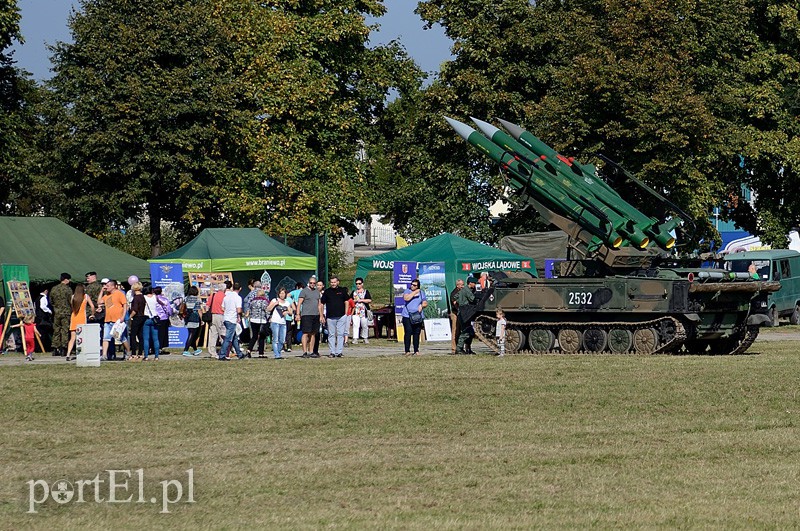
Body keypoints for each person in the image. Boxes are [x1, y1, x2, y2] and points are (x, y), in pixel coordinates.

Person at [101, 279, 132, 361]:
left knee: (122, 338)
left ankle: (128, 352)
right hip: (108, 320)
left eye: (107, 286)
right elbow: (99, 301)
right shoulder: (106, 295)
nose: (106, 287)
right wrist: (102, 291)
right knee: (106, 338)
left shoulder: (119, 294)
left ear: (113, 286)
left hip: (117, 321)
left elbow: (125, 305)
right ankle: (104, 355)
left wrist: (123, 316)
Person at [320, 276, 350, 358]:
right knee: (331, 335)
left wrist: (346, 313)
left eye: (334, 282)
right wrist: (322, 314)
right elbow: (322, 303)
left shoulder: (342, 290)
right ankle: (332, 352)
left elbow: (347, 301)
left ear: (338, 282)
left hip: (341, 316)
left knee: (340, 334)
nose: (333, 284)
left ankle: (339, 352)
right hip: (330, 317)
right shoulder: (327, 292)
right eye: (331, 282)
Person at [65, 283, 95, 361]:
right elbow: (92, 306)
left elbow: (72, 308)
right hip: (82, 318)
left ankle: (68, 354)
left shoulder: (73, 297)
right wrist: (92, 314)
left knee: (72, 338)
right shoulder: (86, 297)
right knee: (82, 337)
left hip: (74, 317)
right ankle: (81, 353)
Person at [296, 276, 321, 358]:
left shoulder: (317, 292)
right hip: (306, 315)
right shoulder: (304, 291)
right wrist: (297, 314)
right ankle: (304, 352)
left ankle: (311, 351)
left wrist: (321, 315)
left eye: (314, 283)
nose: (312, 284)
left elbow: (319, 304)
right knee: (305, 333)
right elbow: (299, 303)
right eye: (311, 283)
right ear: (308, 283)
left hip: (316, 315)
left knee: (313, 333)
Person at [401, 278, 428, 356]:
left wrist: (421, 305)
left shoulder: (421, 293)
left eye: (414, 285)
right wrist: (415, 292)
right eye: (411, 284)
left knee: (417, 333)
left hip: (417, 316)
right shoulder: (407, 291)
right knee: (408, 332)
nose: (412, 286)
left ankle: (416, 350)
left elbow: (425, 302)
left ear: (418, 286)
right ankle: (407, 350)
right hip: (407, 316)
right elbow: (406, 298)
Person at [49, 273, 73, 356]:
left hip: (56, 312)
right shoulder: (68, 289)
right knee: (65, 330)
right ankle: (64, 348)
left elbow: (51, 301)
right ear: (66, 279)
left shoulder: (54, 289)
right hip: (66, 313)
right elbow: (71, 301)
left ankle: (55, 348)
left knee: (56, 330)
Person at [219, 282, 244, 360]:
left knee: (234, 338)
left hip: (226, 318)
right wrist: (241, 314)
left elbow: (222, 308)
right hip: (232, 319)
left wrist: (228, 310)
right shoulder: (238, 298)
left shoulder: (226, 297)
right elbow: (239, 309)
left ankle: (239, 354)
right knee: (228, 338)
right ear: (240, 289)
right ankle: (222, 354)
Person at [267, 288, 293, 359]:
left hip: (283, 323)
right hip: (275, 322)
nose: (282, 295)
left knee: (282, 340)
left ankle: (278, 352)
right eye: (281, 293)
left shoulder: (287, 303)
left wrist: (287, 312)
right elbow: (268, 309)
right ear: (278, 294)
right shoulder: (274, 300)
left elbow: (291, 312)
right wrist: (274, 304)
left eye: (283, 293)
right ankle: (277, 355)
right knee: (275, 339)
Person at [456, 276, 478, 354]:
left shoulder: (463, 290)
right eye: (474, 283)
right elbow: (473, 299)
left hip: (462, 312)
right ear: (470, 283)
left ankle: (468, 349)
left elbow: (456, 298)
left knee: (470, 332)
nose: (475, 284)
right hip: (465, 312)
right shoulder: (467, 290)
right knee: (466, 331)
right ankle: (459, 349)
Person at [181, 286, 203, 357]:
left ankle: (195, 349)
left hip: (187, 318)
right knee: (192, 334)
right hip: (194, 318)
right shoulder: (197, 299)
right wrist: (202, 319)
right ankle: (186, 350)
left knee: (192, 334)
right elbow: (199, 310)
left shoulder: (186, 298)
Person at [247, 288, 270, 357]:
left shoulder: (252, 301)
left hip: (253, 320)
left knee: (254, 336)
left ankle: (249, 350)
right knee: (262, 337)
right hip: (261, 320)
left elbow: (250, 310)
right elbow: (266, 311)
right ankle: (261, 353)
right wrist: (269, 318)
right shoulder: (264, 301)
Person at [141, 286, 161, 360]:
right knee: (155, 338)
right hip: (155, 318)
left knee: (146, 338)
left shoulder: (144, 297)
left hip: (146, 318)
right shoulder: (155, 297)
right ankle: (156, 356)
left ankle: (146, 356)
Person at [351, 277, 372, 344]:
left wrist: (362, 300)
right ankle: (355, 338)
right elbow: (350, 301)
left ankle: (365, 337)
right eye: (357, 284)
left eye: (359, 284)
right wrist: (355, 301)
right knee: (356, 325)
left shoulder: (366, 292)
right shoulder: (354, 292)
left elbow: (369, 300)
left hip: (364, 311)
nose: (358, 285)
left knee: (364, 325)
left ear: (362, 284)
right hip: (356, 311)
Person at [128, 281, 146, 360]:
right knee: (140, 335)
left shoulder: (136, 298)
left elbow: (135, 309)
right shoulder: (143, 297)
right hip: (143, 316)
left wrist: (130, 317)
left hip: (137, 317)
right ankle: (140, 352)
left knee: (133, 335)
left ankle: (134, 353)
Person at [153, 286, 173, 356]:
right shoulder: (164, 299)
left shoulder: (153, 299)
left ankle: (154, 347)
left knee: (156, 333)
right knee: (163, 334)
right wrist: (170, 314)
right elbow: (168, 309)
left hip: (155, 318)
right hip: (164, 318)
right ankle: (161, 347)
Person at [449, 279, 464, 354]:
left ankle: (460, 347)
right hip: (455, 313)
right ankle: (454, 348)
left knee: (461, 330)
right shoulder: (454, 293)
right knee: (455, 330)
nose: (462, 286)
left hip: (461, 313)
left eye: (463, 284)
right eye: (461, 285)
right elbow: (455, 304)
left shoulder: (462, 292)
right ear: (457, 285)